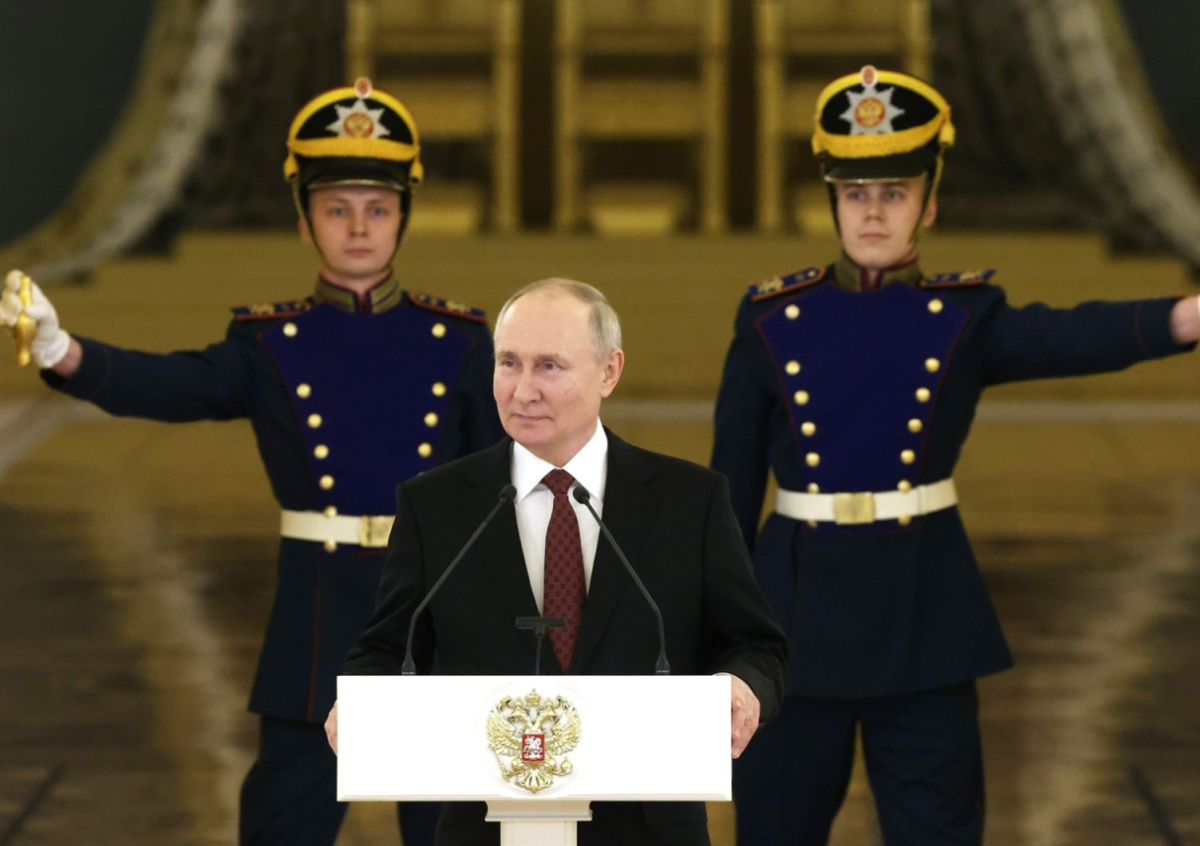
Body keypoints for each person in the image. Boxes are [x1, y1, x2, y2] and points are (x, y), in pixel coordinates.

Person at [0, 78, 504, 845]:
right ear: (304, 222)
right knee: (283, 826)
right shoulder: (271, 345)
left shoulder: (459, 342)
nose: (358, 228)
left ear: (405, 218)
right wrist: (60, 349)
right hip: (320, 622)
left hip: (433, 618)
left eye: (377, 209)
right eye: (336, 209)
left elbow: (500, 491)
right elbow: (171, 384)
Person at [711, 65, 1200, 846]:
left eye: (894, 192)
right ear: (833, 202)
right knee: (774, 829)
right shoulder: (771, 319)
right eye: (855, 193)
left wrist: (1187, 316)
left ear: (928, 204)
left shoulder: (963, 318)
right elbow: (729, 494)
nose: (874, 210)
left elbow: (1071, 333)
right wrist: (719, 636)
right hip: (794, 621)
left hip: (924, 617)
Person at [325, 278, 789, 846]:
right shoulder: (435, 505)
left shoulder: (689, 500)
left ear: (609, 371)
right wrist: (361, 700)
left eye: (549, 366)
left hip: (648, 829)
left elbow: (755, 646)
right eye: (508, 363)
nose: (523, 390)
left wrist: (741, 685)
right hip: (484, 828)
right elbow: (387, 650)